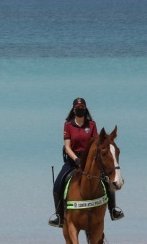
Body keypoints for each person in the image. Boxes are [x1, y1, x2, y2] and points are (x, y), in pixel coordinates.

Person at [48, 97, 124, 228]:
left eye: (82, 108)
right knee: (57, 185)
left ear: (85, 109)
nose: (80, 110)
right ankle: (59, 216)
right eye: (78, 108)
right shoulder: (68, 125)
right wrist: (76, 159)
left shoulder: (92, 125)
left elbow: (96, 143)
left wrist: (87, 160)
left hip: (89, 161)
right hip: (73, 160)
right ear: (73, 109)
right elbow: (67, 147)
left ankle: (113, 210)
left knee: (107, 181)